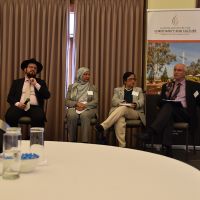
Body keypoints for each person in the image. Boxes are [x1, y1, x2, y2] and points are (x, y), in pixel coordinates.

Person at [140, 63, 200, 156]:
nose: (176, 72)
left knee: (169, 106)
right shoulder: (167, 86)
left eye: (179, 70)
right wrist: (166, 95)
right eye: (175, 70)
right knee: (169, 111)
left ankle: (150, 132)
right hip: (171, 113)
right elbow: (159, 103)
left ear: (184, 73)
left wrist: (197, 95)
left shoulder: (194, 85)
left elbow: (199, 101)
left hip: (185, 113)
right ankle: (168, 149)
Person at [95, 72, 145, 148]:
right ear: (125, 81)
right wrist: (122, 102)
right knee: (120, 120)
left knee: (123, 108)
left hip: (134, 112)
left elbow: (142, 101)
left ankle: (104, 126)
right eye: (130, 79)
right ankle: (122, 146)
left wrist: (135, 104)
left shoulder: (138, 90)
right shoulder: (118, 90)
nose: (133, 81)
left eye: (134, 79)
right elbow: (113, 101)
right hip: (121, 112)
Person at [5, 58, 50, 127]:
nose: (33, 69)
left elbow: (47, 95)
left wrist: (36, 84)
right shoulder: (17, 82)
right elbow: (10, 97)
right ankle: (15, 136)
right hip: (19, 106)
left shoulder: (41, 82)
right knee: (10, 116)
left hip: (35, 108)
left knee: (39, 118)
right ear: (25, 69)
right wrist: (18, 104)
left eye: (35, 68)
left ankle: (34, 137)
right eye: (30, 67)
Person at [65, 67, 98, 143]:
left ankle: (85, 142)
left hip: (89, 108)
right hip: (75, 107)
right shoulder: (72, 87)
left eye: (88, 74)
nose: (87, 76)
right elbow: (67, 101)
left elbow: (95, 101)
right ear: (80, 75)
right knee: (72, 115)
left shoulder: (93, 87)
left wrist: (84, 106)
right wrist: (76, 104)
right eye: (85, 74)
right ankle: (72, 141)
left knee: (85, 115)